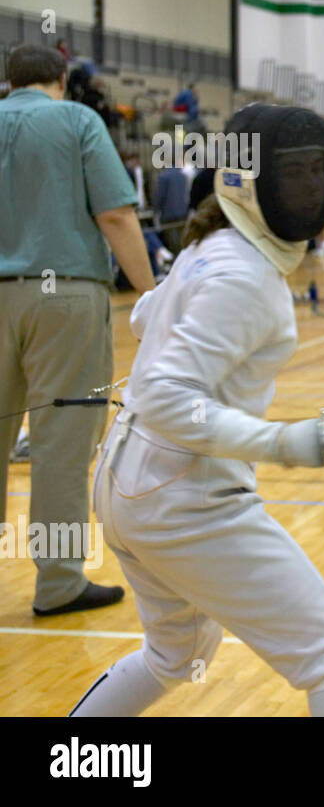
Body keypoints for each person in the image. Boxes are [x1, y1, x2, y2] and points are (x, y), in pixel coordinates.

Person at [70, 103, 324, 717]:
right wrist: (284, 442)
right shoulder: (244, 274)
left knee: (174, 655)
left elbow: (143, 316)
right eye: (295, 175)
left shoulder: (213, 247)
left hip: (129, 485)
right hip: (183, 500)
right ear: (248, 180)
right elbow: (163, 395)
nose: (312, 189)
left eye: (317, 173)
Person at [0, 43, 155, 616]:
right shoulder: (76, 120)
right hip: (63, 294)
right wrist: (149, 292)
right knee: (61, 445)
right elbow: (114, 214)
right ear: (60, 80)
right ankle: (59, 582)